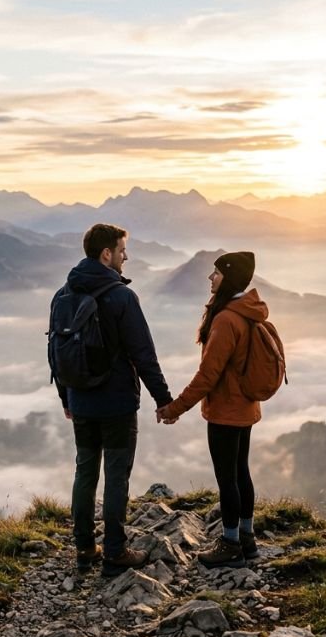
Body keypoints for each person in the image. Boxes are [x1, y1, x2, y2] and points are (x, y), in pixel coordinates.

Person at [54, 223, 173, 576]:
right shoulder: (122, 297)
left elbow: (55, 352)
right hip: (118, 405)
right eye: (122, 251)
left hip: (81, 402)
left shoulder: (63, 293)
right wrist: (163, 399)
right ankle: (116, 551)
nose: (126, 257)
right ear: (106, 254)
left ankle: (85, 549)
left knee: (84, 472)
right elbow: (143, 354)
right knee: (116, 476)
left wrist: (66, 397)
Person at [157, 251, 265, 568]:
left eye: (215, 273)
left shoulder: (227, 319)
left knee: (227, 478)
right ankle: (247, 539)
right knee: (241, 472)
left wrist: (175, 407)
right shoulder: (248, 311)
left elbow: (208, 375)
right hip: (245, 407)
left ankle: (230, 544)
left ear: (228, 278)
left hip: (226, 411)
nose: (210, 278)